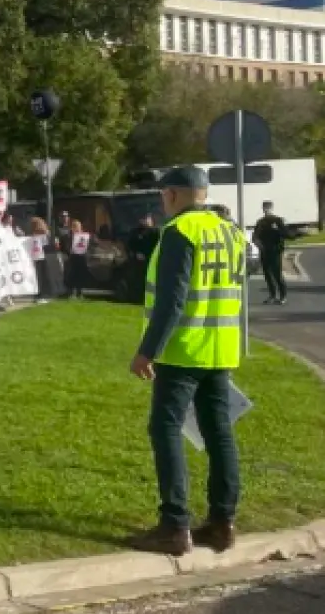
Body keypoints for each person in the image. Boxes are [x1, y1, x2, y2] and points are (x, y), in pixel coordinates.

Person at [128, 167, 246, 557]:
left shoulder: (181, 232)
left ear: (175, 195)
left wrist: (148, 350)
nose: (162, 203)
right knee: (219, 433)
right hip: (221, 347)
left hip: (183, 350)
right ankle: (222, 522)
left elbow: (171, 300)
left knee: (165, 428)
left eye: (164, 195)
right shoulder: (230, 231)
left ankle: (174, 525)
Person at [253, 201, 288, 305]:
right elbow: (255, 236)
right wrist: (259, 245)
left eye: (268, 208)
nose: (266, 210)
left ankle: (283, 296)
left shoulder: (278, 220)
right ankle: (272, 295)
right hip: (264, 251)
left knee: (277, 274)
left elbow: (285, 233)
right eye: (264, 208)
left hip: (276, 251)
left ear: (272, 209)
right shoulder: (260, 222)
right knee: (267, 274)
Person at [123, 215, 160, 305]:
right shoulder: (135, 232)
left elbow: (156, 245)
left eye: (147, 219)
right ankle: (135, 298)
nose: (144, 221)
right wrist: (135, 253)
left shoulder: (155, 232)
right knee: (136, 280)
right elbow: (130, 244)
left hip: (150, 259)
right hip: (136, 261)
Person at [64, 219, 91, 299]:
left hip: (82, 257)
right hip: (73, 258)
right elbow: (67, 246)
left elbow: (88, 245)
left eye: (78, 227)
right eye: (74, 227)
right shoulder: (69, 236)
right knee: (72, 275)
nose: (76, 228)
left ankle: (80, 293)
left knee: (81, 275)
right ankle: (71, 293)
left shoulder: (84, 236)